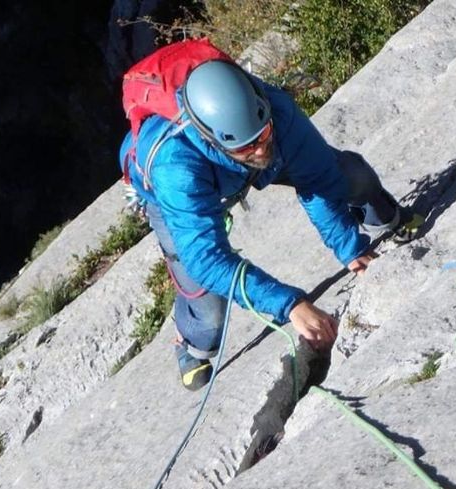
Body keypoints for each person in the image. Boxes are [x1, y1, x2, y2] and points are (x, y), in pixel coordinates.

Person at [118, 59, 423, 391]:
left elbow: (317, 177)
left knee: (350, 176)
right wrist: (289, 304)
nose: (261, 147)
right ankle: (190, 342)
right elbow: (206, 259)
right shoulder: (175, 168)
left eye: (262, 135)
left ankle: (384, 212)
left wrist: (349, 249)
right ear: (213, 139)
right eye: (248, 145)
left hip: (238, 162)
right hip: (170, 196)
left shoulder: (275, 110)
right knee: (210, 314)